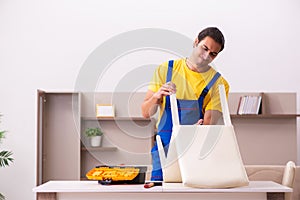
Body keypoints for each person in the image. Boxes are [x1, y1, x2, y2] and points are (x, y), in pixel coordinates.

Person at [141, 27, 230, 188]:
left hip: (195, 154)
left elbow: (208, 124)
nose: (206, 56)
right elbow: (146, 113)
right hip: (164, 154)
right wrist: (157, 96)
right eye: (204, 48)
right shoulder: (166, 70)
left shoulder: (219, 83)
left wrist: (195, 131)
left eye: (213, 54)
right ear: (196, 42)